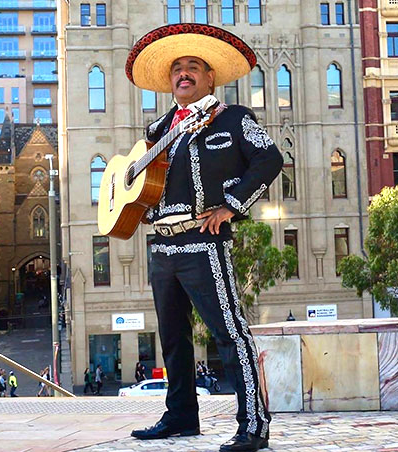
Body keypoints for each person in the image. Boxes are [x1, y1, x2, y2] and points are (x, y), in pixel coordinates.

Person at [126, 24, 279, 452]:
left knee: (229, 332)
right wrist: (133, 206)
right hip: (162, 245)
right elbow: (144, 186)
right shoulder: (155, 132)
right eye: (177, 69)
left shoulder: (233, 119)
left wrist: (231, 204)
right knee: (172, 338)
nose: (183, 74)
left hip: (203, 242)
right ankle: (180, 417)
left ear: (210, 78)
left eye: (193, 67)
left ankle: (253, 426)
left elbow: (269, 159)